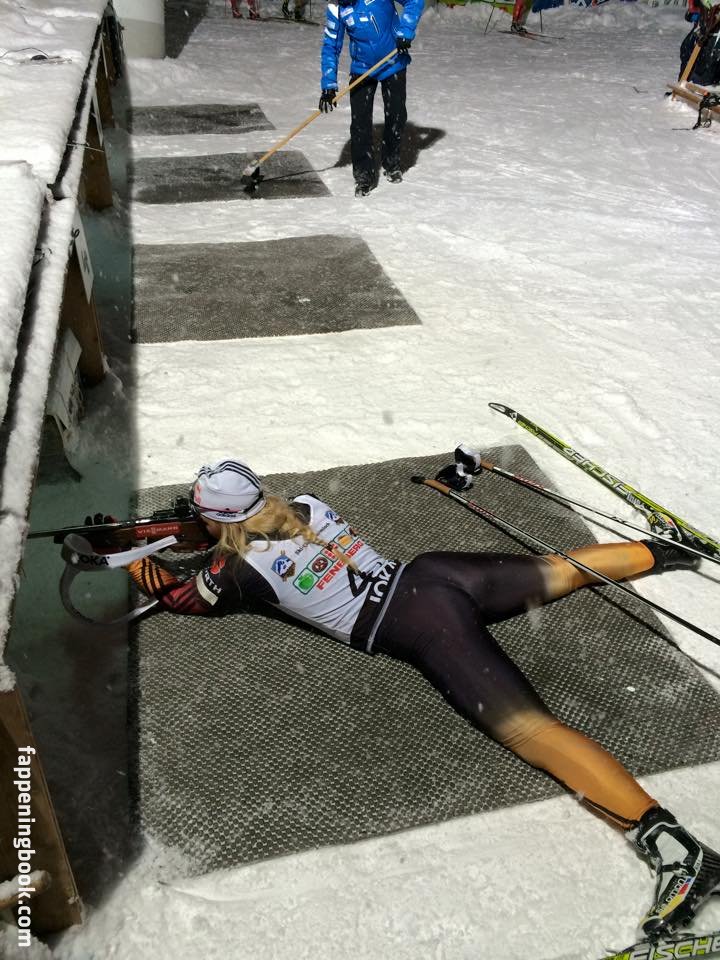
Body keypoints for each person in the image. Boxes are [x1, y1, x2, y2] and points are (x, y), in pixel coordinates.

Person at [126, 457, 720, 942]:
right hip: (431, 575)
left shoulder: (238, 574)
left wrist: (131, 560)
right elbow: (261, 534)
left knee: (533, 731)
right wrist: (201, 529)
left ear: (216, 520)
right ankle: (665, 551)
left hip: (419, 625)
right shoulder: (305, 504)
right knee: (556, 570)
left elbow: (180, 597)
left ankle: (678, 851)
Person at [318, 0, 425, 196]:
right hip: (362, 68)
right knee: (359, 124)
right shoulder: (336, 8)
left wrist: (405, 32)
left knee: (396, 115)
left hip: (393, 62)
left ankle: (391, 163)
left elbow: (414, 1)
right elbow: (331, 46)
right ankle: (363, 176)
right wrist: (328, 86)